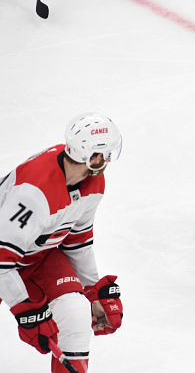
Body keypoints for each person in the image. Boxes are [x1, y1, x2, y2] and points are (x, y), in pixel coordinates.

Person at [0, 113, 124, 373]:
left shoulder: (93, 182)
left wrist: (93, 292)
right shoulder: (33, 193)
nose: (108, 161)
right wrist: (27, 311)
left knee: (76, 315)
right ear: (95, 157)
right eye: (107, 154)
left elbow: (78, 241)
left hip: (35, 255)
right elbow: (1, 260)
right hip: (5, 259)